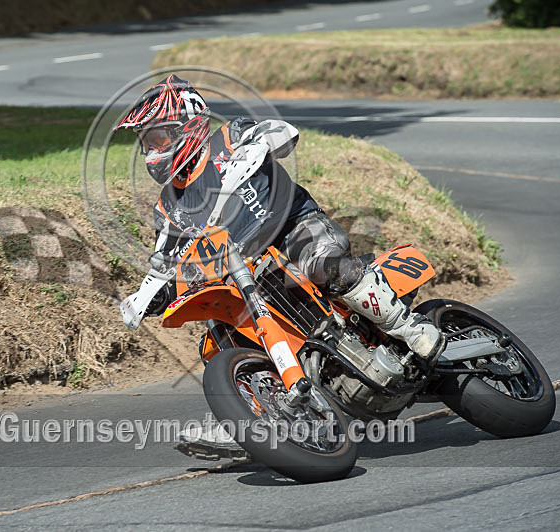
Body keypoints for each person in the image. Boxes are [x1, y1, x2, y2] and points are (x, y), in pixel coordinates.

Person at [115, 75, 445, 454]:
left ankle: (407, 326)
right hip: (244, 270)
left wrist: (254, 148)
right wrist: (144, 298)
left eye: (157, 139)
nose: (151, 153)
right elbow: (164, 260)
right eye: (146, 144)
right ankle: (251, 416)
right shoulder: (168, 205)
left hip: (291, 228)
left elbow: (281, 132)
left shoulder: (228, 137)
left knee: (323, 262)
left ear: (185, 127)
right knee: (218, 334)